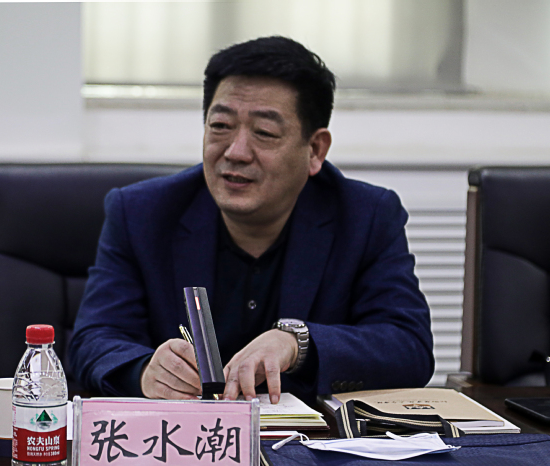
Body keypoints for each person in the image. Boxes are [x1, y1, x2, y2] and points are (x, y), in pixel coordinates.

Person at [69, 36, 434, 405]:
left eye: (264, 133)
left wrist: (297, 343)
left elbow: (409, 347)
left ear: (314, 150)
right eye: (221, 126)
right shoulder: (141, 212)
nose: (236, 152)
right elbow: (92, 339)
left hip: (309, 437)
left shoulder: (366, 216)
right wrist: (144, 370)